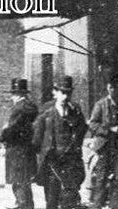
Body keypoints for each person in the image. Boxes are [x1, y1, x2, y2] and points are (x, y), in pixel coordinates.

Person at [33, 76, 87, 209]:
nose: (65, 96)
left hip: (70, 161)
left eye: (68, 93)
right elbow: (37, 136)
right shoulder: (46, 110)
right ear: (55, 92)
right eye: (62, 92)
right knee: (52, 198)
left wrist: (76, 146)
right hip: (52, 161)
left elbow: (82, 129)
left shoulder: (75, 110)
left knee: (70, 198)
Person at [86, 75, 118, 209]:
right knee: (101, 179)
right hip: (104, 147)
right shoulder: (101, 104)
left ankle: (115, 206)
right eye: (111, 87)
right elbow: (92, 124)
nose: (114, 90)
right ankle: (97, 206)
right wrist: (110, 129)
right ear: (107, 88)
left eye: (116, 88)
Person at [0, 77, 39, 209]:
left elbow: (12, 128)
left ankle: (21, 205)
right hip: (27, 147)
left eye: (13, 94)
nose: (12, 97)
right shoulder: (31, 107)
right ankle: (28, 205)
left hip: (16, 148)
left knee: (18, 179)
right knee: (25, 179)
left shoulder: (18, 109)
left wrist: (3, 136)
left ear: (17, 95)